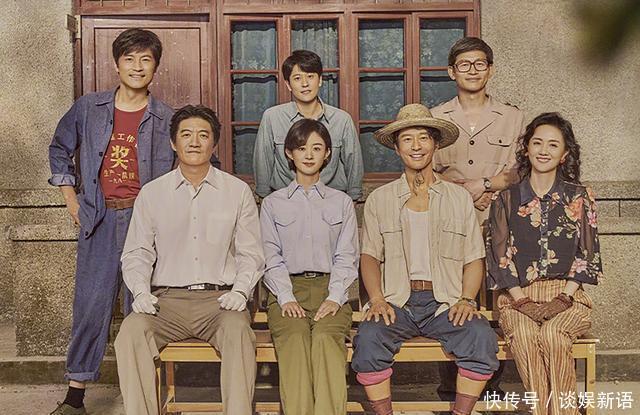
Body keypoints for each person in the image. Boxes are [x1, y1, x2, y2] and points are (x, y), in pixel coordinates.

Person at [48, 28, 175, 415]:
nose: (137, 67)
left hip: (145, 222)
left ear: (155, 66)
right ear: (116, 64)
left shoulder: (166, 118)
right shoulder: (89, 108)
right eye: (129, 59)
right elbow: (59, 148)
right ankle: (75, 397)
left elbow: (190, 164)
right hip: (100, 218)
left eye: (145, 59)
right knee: (91, 304)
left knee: (143, 306)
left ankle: (143, 397)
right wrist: (72, 200)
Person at [114, 105, 264, 415]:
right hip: (166, 302)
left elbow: (251, 253)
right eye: (186, 135)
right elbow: (137, 252)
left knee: (238, 332)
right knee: (130, 333)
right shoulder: (152, 194)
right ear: (173, 142)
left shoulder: (237, 191)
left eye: (203, 135)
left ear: (214, 143)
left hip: (220, 302)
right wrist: (140, 291)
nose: (194, 142)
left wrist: (241, 290)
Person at [350, 103, 499, 415]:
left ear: (435, 143)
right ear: (397, 147)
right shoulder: (380, 199)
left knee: (480, 336)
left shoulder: (458, 198)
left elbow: (474, 257)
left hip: (445, 301)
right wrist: (376, 299)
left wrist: (466, 299)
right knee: (369, 338)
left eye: (423, 138)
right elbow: (369, 256)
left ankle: (460, 413)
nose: (416, 146)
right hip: (397, 302)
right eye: (407, 139)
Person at [486, 113, 602, 415]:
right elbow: (499, 258)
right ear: (526, 148)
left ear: (564, 154)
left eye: (553, 145)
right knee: (525, 337)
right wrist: (522, 301)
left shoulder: (580, 197)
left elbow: (587, 255)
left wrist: (563, 298)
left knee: (553, 335)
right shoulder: (505, 199)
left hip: (568, 296)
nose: (543, 150)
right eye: (537, 143)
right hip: (517, 298)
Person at [431, 36, 526, 400]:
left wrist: (484, 185)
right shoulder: (437, 117)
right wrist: (461, 192)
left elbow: (521, 168)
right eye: (464, 65)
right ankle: (449, 384)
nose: (472, 71)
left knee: (494, 296)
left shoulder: (512, 117)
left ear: (491, 70)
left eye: (480, 64)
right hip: (449, 220)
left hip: (499, 220)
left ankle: (491, 384)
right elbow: (426, 167)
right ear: (451, 71)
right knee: (452, 296)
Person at [260, 118, 359, 415]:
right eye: (301, 148)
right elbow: (270, 255)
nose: (309, 155)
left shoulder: (341, 202)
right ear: (289, 153)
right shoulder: (273, 203)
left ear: (327, 153)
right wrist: (286, 297)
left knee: (327, 339)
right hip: (287, 290)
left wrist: (335, 297)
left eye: (317, 148)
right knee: (295, 338)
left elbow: (346, 256)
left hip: (331, 289)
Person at [253, 49, 364, 201]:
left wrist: (353, 198)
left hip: (331, 200)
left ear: (320, 80)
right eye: (297, 78)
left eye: (310, 76)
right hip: (285, 200)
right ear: (288, 84)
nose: (305, 84)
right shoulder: (272, 117)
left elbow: (353, 163)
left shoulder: (342, 119)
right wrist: (265, 198)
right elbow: (263, 160)